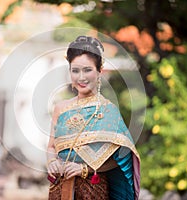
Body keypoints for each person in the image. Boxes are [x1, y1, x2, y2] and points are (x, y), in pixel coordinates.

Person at [47, 35, 140, 200]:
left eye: (87, 70)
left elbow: (122, 160)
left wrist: (85, 168)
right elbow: (51, 147)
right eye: (75, 70)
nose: (81, 77)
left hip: (93, 190)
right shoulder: (60, 108)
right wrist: (51, 162)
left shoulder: (108, 111)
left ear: (99, 72)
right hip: (61, 188)